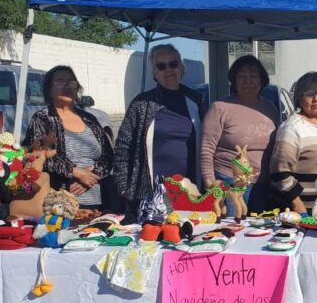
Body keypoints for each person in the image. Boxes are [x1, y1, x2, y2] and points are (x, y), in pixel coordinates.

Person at [114, 44, 205, 222]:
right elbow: (123, 147)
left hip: (190, 190)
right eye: (161, 66)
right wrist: (123, 186)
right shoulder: (142, 103)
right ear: (154, 73)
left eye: (173, 64)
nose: (168, 70)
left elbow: (207, 142)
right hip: (151, 192)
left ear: (182, 68)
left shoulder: (196, 100)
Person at [23, 65, 113, 210]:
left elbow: (108, 156)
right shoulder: (43, 119)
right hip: (58, 201)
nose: (67, 86)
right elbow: (37, 155)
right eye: (60, 82)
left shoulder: (90, 119)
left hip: (96, 200)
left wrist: (91, 175)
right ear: (49, 90)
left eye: (71, 82)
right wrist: (76, 172)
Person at [201, 55, 280, 215]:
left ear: (262, 80)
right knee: (231, 229)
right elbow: (206, 150)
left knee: (260, 232)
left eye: (253, 76)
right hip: (229, 182)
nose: (247, 81)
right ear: (234, 80)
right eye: (242, 76)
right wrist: (210, 183)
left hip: (262, 184)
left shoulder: (270, 108)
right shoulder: (220, 108)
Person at [269, 71, 317, 213]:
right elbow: (279, 173)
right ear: (299, 98)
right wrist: (299, 207)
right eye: (310, 93)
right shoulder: (293, 127)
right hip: (299, 212)